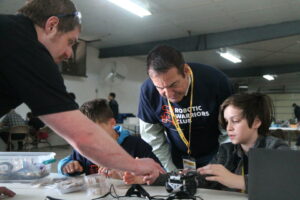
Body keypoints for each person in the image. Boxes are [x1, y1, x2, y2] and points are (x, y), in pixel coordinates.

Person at [0, 0, 163, 188]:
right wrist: (135, 165)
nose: (69, 54)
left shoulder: (11, 37)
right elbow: (82, 136)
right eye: (70, 42)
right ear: (51, 26)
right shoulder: (27, 47)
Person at [125, 93, 289, 193]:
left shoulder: (276, 149)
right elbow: (198, 178)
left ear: (256, 122)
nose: (229, 128)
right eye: (226, 121)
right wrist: (154, 179)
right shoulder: (226, 151)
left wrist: (234, 180)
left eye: (236, 121)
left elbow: (284, 182)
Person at [138, 45, 233, 172]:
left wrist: (219, 165)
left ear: (186, 70)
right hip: (176, 158)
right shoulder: (148, 91)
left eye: (174, 85)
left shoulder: (216, 82)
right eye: (160, 88)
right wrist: (171, 171)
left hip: (215, 153)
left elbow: (229, 131)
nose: (169, 94)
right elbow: (152, 137)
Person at [58, 98, 161, 178]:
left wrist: (126, 176)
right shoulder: (85, 148)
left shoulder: (136, 145)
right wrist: (67, 167)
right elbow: (64, 164)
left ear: (112, 123)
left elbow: (161, 174)